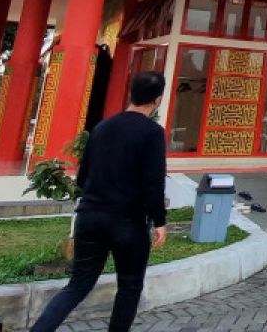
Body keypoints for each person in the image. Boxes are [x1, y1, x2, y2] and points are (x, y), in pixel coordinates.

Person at [31, 72, 168, 332]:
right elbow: (153, 182)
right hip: (128, 222)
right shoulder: (152, 133)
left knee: (78, 285)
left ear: (131, 94)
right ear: (158, 100)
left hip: (90, 216)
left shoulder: (101, 127)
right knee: (129, 287)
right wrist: (159, 221)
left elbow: (83, 176)